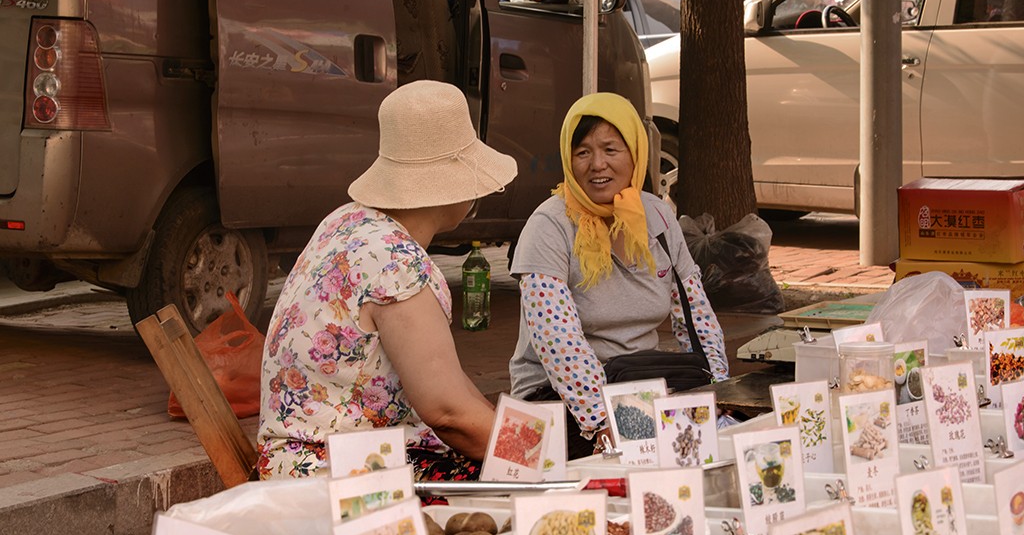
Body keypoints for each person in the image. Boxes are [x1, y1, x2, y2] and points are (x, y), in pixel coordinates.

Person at [258, 80, 518, 480]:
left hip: (303, 460)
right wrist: (536, 457)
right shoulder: (397, 262)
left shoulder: (345, 220)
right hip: (335, 474)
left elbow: (446, 381)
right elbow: (446, 412)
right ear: (455, 188)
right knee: (515, 490)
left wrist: (509, 429)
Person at [508, 92, 729, 457]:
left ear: (636, 154)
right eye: (583, 152)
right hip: (562, 399)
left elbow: (697, 318)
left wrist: (720, 391)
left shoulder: (657, 217)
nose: (597, 165)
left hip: (643, 385)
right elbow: (558, 341)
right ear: (568, 157)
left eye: (611, 150)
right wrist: (603, 422)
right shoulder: (549, 226)